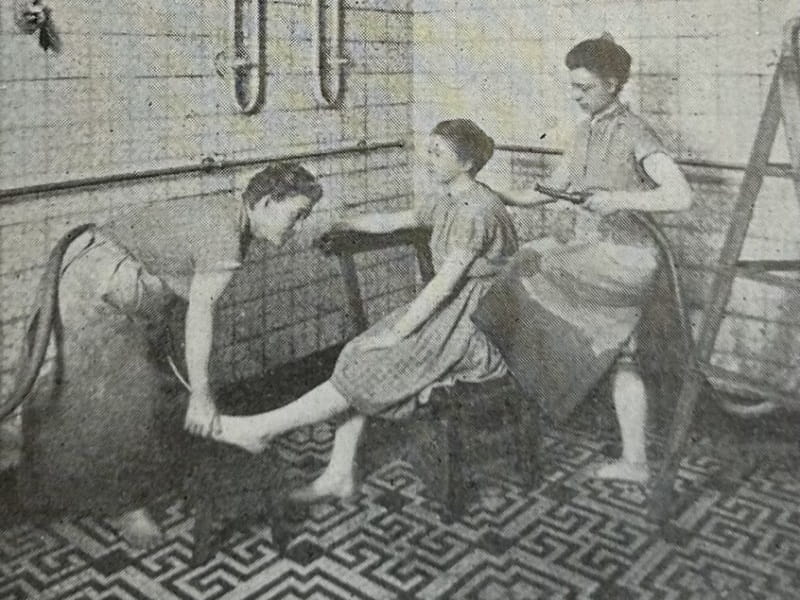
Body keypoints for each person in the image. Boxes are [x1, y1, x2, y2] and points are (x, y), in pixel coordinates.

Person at [207, 119, 518, 503]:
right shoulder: (449, 197)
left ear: (467, 163)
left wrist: (397, 332)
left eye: (438, 153)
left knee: (377, 358)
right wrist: (341, 221)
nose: (427, 159)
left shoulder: (478, 209)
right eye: (429, 149)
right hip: (453, 313)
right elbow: (394, 220)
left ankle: (263, 428)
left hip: (479, 324)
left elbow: (444, 283)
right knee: (358, 353)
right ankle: (338, 474)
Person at [13, 163, 323, 547]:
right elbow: (201, 313)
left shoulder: (231, 220)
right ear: (263, 203)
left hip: (106, 278)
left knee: (120, 394)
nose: (296, 229)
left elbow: (184, 294)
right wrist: (202, 394)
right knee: (112, 398)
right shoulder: (225, 234)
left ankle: (81, 492)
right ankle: (116, 504)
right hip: (95, 286)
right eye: (296, 216)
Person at [479, 34, 692, 484]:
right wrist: (497, 193)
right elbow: (549, 189)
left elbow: (680, 195)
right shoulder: (583, 132)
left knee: (530, 262)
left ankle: (526, 388)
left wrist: (617, 199)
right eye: (572, 87)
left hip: (627, 259)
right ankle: (635, 461)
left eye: (584, 87)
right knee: (620, 356)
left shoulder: (635, 131)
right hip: (593, 255)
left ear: (612, 84)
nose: (575, 95)